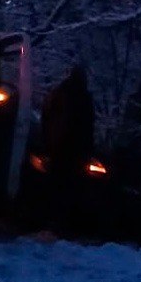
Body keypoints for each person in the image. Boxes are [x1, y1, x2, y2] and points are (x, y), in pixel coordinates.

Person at [40, 64, 96, 232]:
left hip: (57, 146)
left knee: (56, 183)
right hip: (74, 149)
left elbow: (46, 116)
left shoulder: (59, 93)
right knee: (70, 185)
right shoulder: (83, 97)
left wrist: (48, 142)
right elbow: (87, 126)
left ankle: (51, 219)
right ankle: (63, 223)